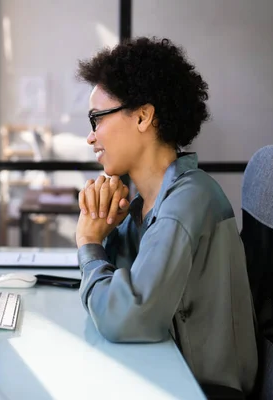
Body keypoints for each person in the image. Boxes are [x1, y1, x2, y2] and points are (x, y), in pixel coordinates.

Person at [74, 37, 257, 393]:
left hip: (200, 389)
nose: (91, 137)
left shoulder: (187, 201)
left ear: (143, 116)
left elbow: (124, 319)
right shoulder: (142, 199)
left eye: (97, 119)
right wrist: (107, 228)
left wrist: (88, 241)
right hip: (164, 369)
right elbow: (119, 290)